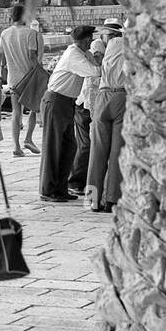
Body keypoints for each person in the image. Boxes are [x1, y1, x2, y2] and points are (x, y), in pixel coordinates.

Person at [39, 25, 101, 203]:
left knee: (68, 146)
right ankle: (48, 190)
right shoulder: (73, 55)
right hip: (56, 100)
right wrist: (98, 60)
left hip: (67, 103)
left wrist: (94, 58)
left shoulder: (82, 53)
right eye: (90, 39)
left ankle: (61, 187)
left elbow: (94, 64)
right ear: (87, 40)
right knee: (53, 146)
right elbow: (94, 71)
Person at [86, 19, 127, 213]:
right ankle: (112, 200)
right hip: (122, 96)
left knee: (97, 151)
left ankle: (93, 200)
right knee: (117, 151)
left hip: (103, 97)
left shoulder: (108, 47)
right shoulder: (131, 45)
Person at [0, 3, 45, 155]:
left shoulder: (5, 34)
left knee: (16, 112)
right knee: (33, 108)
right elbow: (32, 55)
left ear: (11, 16)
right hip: (29, 77)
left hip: (13, 78)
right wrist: (39, 70)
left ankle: (16, 147)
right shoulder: (31, 33)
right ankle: (28, 139)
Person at [69, 33, 107, 199]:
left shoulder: (106, 49)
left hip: (91, 106)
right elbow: (91, 83)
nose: (98, 57)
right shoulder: (99, 47)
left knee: (88, 145)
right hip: (85, 106)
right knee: (85, 145)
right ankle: (75, 182)